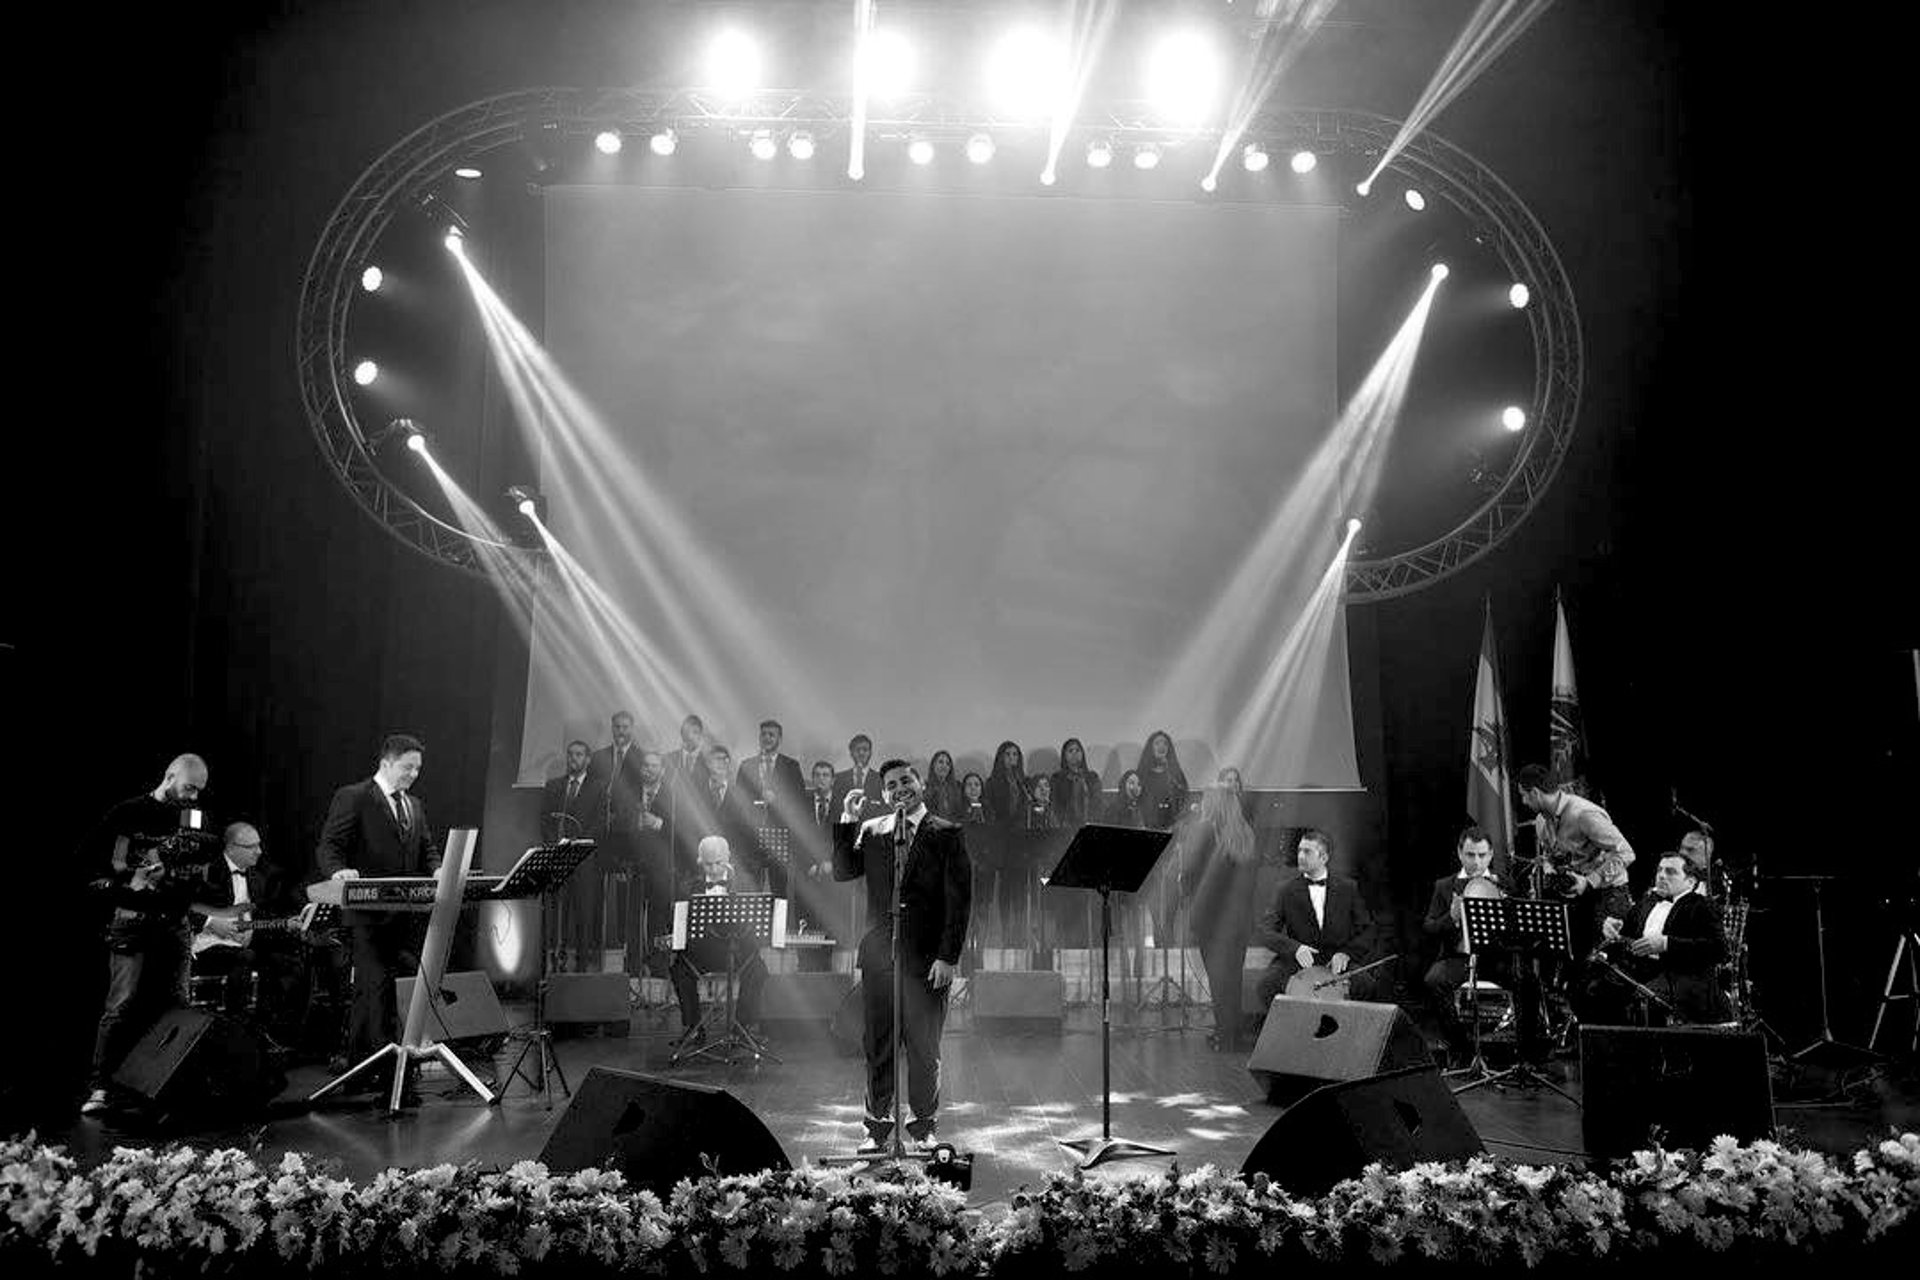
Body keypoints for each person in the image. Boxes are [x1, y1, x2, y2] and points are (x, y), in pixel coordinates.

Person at [834, 759, 971, 1150]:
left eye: (906, 780)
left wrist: (948, 957)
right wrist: (847, 819)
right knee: (878, 1045)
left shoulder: (947, 833)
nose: (899, 789)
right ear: (883, 794)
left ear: (920, 783)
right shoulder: (873, 831)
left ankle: (923, 1126)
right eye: (891, 785)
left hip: (927, 961)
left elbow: (958, 901)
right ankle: (876, 1128)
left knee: (924, 1048)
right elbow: (843, 871)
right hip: (880, 956)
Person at [81, 754, 214, 1114]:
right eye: (188, 787)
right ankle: (100, 1087)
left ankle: (169, 1085)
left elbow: (200, 867)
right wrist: (132, 883)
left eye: (198, 791)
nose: (192, 797)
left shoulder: (192, 817)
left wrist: (187, 874)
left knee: (178, 1007)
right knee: (120, 1005)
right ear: (169, 776)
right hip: (133, 918)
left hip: (175, 922)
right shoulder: (127, 812)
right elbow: (95, 865)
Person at [315, 734, 436, 1085]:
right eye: (407, 767)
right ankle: (375, 1069)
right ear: (386, 763)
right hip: (367, 913)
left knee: (392, 988)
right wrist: (337, 871)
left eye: (417, 768)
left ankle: (373, 1066)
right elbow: (329, 846)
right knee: (374, 987)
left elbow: (426, 848)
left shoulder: (414, 805)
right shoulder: (353, 797)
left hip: (404, 912)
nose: (413, 774)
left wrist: (439, 868)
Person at [1586, 849, 1729, 1025]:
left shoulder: (1702, 905)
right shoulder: (1647, 901)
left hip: (1682, 975)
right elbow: (1627, 933)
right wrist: (1613, 928)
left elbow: (1719, 949)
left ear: (1690, 882)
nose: (1661, 876)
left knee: (1643, 1000)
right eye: (1660, 870)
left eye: (1670, 872)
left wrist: (1666, 944)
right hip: (1644, 969)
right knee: (1593, 988)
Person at [1256, 828, 1379, 1007]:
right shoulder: (1285, 890)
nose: (1300, 856)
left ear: (1323, 858)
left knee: (1367, 985)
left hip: (1334, 959)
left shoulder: (1348, 888)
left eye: (1307, 852)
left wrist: (1346, 953)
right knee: (1266, 986)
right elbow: (1265, 931)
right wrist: (1295, 948)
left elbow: (1368, 929)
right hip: (1298, 959)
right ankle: (1287, 1029)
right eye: (1299, 850)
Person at [1516, 763, 1634, 950]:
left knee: (1602, 962)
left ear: (1536, 793)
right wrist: (1549, 865)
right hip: (1576, 896)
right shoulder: (1541, 822)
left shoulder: (1584, 814)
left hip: (1608, 894)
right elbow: (1553, 856)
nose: (1523, 802)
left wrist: (1590, 881)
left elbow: (1626, 853)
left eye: (1523, 795)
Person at [668, 837, 768, 1047]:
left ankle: (743, 1028)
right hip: (702, 953)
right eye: (707, 863)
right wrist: (675, 937)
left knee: (758, 969)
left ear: (728, 859)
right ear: (699, 861)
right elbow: (678, 925)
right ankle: (694, 1028)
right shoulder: (687, 886)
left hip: (737, 951)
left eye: (718, 863)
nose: (713, 869)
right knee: (679, 969)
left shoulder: (745, 884)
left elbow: (755, 928)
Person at [1183, 783, 1261, 1050]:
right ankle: (1232, 1034)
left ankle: (1225, 1038)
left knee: (1219, 982)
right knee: (1233, 980)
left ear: (1214, 804)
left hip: (1214, 923)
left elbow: (1196, 877)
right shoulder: (1245, 834)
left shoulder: (1210, 835)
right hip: (1239, 923)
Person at [1420, 826, 1506, 1058]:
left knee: (1528, 980)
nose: (1476, 862)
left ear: (1491, 855)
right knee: (1434, 980)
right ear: (1459, 853)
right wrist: (1452, 917)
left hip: (1495, 958)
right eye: (1470, 855)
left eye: (1482, 855)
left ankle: (1526, 1055)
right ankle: (1461, 1048)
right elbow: (1429, 927)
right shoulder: (1444, 886)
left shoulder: (1504, 884)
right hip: (1457, 958)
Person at [542, 739, 608, 971]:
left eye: (579, 754)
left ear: (588, 759)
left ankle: (581, 964)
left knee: (584, 914)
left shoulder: (598, 787)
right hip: (558, 859)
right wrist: (555, 844)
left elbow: (601, 822)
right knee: (557, 911)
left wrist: (579, 843)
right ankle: (554, 962)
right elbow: (545, 820)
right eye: (571, 754)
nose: (574, 759)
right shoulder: (553, 786)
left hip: (584, 861)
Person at [736, 718, 806, 834]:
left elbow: (800, 799)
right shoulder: (746, 765)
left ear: (780, 739)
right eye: (763, 734)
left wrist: (777, 800)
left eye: (771, 735)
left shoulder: (792, 766)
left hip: (782, 829)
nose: (766, 738)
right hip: (750, 828)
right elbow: (738, 797)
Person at [1136, 731, 1189, 830]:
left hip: (1172, 828)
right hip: (1147, 827)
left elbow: (1184, 798)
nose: (1162, 746)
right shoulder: (1142, 773)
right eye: (1157, 743)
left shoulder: (1175, 774)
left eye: (1165, 743)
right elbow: (1136, 802)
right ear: (1150, 748)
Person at [1050, 738, 1102, 828]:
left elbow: (1097, 802)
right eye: (1070, 751)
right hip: (1065, 827)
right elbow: (1055, 805)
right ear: (1064, 755)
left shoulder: (1092, 777)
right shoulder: (1057, 778)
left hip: (1090, 824)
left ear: (1082, 754)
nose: (1075, 754)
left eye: (1077, 750)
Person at [832, 734, 881, 823]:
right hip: (846, 829)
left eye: (865, 750)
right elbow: (834, 810)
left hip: (872, 831)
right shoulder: (839, 779)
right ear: (851, 753)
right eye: (857, 750)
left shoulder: (880, 779)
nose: (861, 753)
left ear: (870, 753)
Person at [923, 750, 965, 822]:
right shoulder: (924, 787)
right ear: (933, 765)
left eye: (948, 763)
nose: (944, 766)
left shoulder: (957, 787)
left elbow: (961, 812)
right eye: (940, 762)